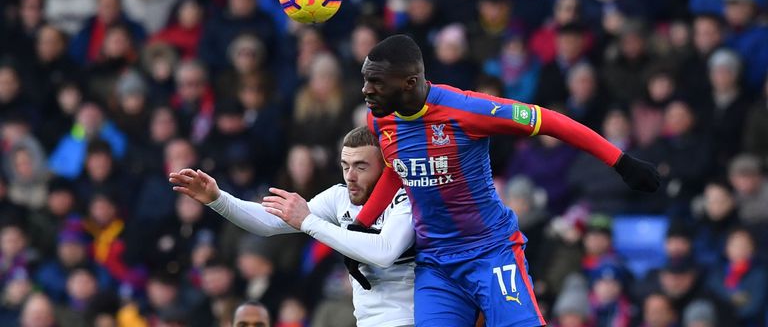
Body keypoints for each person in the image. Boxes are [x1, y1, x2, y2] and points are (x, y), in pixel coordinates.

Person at [353, 34, 661, 326]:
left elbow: (549, 121)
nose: (366, 90)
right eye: (366, 80)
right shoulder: (379, 118)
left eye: (376, 82)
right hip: (435, 264)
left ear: (409, 83)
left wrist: (620, 161)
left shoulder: (466, 109)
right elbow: (399, 168)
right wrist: (362, 227)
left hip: (490, 253)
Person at [169, 126, 416, 327]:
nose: (350, 175)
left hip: (408, 320)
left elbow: (384, 252)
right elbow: (269, 223)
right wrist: (218, 199)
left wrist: (309, 221)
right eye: (344, 166)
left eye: (361, 167)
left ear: (384, 168)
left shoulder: (406, 199)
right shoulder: (339, 197)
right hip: (365, 321)